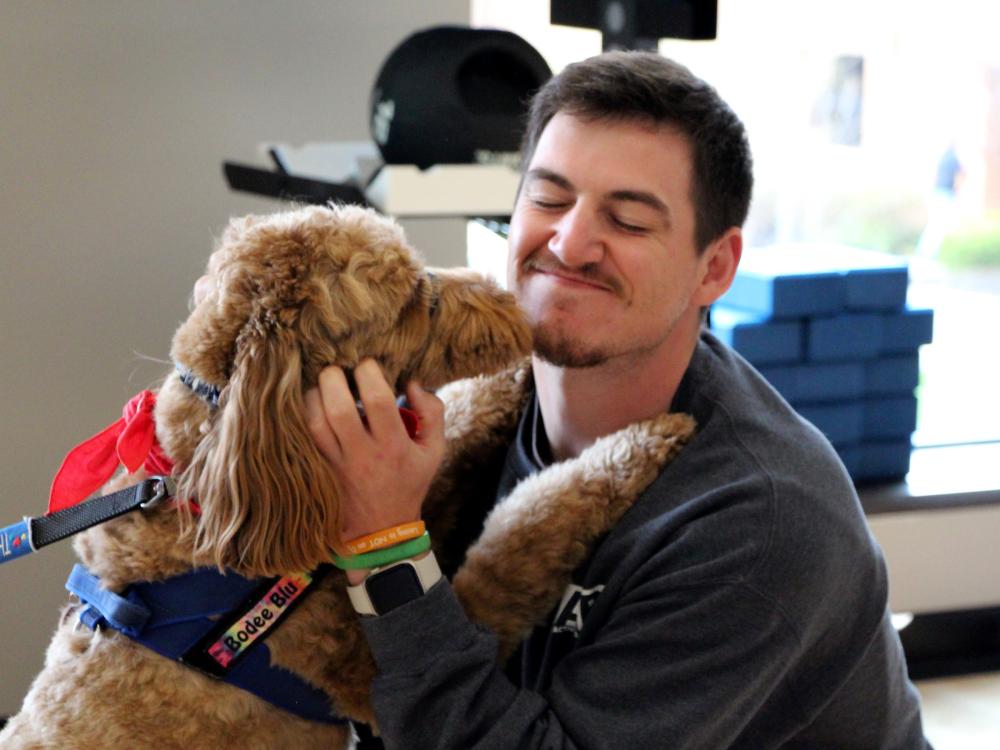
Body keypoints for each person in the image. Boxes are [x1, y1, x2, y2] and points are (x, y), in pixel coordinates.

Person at [304, 51, 929, 748]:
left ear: (714, 267)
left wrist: (386, 550)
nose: (570, 244)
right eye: (547, 198)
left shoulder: (761, 521)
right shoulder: (470, 410)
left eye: (628, 220)